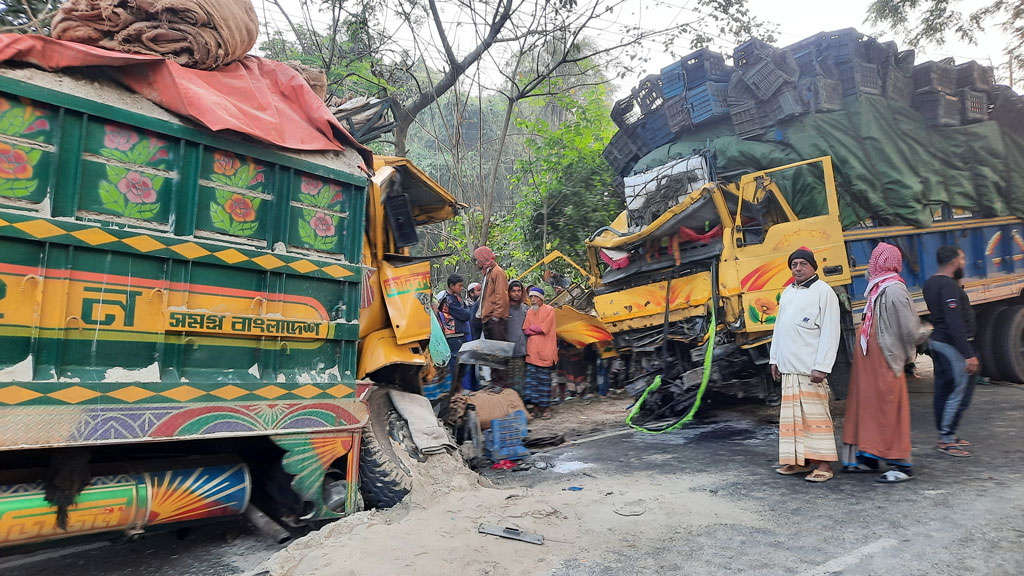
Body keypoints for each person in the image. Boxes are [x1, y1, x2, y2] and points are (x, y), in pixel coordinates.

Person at [841, 243, 928, 483]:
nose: (871, 263)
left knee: (888, 410)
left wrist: (919, 343)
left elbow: (909, 329)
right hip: (871, 363)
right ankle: (869, 456)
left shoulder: (894, 290)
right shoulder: (879, 287)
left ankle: (900, 464)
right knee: (869, 409)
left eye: (875, 259)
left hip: (884, 362)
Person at [769, 247, 841, 483]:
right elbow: (778, 328)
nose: (797, 268)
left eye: (802, 264)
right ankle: (801, 461)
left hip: (811, 370)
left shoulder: (824, 292)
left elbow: (831, 332)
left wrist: (822, 365)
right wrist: (774, 359)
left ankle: (824, 465)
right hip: (789, 368)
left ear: (813, 266)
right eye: (794, 265)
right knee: (793, 420)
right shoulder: (788, 292)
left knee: (815, 418)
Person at [924, 245, 978, 457]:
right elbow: (954, 322)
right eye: (962, 259)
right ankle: (946, 440)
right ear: (953, 262)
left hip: (938, 341)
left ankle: (946, 434)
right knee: (959, 390)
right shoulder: (948, 287)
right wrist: (968, 353)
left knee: (943, 390)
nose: (964, 263)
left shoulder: (930, 283)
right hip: (951, 345)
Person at [474, 246, 510, 387]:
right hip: (488, 318)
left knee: (498, 351)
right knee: (492, 352)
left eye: (477, 259)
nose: (476, 262)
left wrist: (497, 315)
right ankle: (495, 381)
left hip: (495, 319)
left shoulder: (497, 272)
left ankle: (501, 383)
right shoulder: (488, 273)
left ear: (483, 258)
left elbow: (502, 295)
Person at [523, 287, 557, 419]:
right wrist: (534, 329)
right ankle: (536, 408)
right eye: (531, 297)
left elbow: (544, 328)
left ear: (541, 298)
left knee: (544, 382)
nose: (532, 300)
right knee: (532, 383)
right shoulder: (530, 312)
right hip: (532, 353)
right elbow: (526, 330)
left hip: (546, 352)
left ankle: (546, 409)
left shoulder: (550, 310)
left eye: (535, 297)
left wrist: (534, 328)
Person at [437, 274, 472, 390]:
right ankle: (455, 389)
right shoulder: (448, 300)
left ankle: (458, 387)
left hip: (460, 334)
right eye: (459, 286)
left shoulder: (456, 297)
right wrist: (467, 311)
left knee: (462, 363)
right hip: (454, 335)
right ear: (451, 286)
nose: (461, 288)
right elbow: (465, 314)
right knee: (457, 364)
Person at [506, 280, 529, 398]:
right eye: (513, 291)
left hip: (522, 352)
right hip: (508, 353)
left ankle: (521, 408)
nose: (516, 293)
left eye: (519, 291)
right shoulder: (504, 309)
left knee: (521, 382)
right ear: (508, 292)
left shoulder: (525, 309)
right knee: (509, 383)